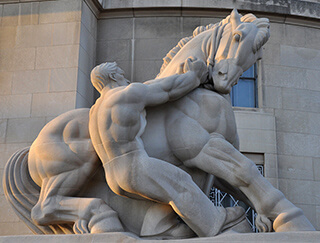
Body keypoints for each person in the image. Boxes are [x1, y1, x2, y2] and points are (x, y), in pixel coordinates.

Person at [88, 58, 246, 237]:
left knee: (166, 194)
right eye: (123, 75)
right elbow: (168, 90)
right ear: (114, 76)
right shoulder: (126, 95)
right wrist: (194, 75)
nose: (127, 80)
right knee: (181, 182)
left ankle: (159, 230)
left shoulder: (95, 110)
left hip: (114, 177)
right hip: (135, 166)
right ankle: (216, 227)